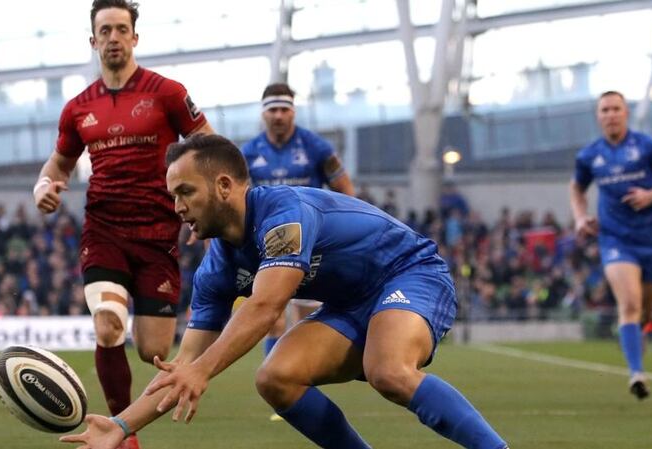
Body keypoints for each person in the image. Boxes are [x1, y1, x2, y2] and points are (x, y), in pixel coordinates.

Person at [60, 134, 508, 449]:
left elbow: (267, 305)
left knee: (387, 370)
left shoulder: (283, 214)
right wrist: (121, 425)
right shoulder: (216, 269)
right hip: (350, 304)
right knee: (275, 378)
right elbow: (184, 367)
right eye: (173, 196)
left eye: (185, 192)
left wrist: (202, 371)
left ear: (223, 186)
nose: (177, 207)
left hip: (410, 273)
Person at [33, 1, 214, 448]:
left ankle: (124, 421)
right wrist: (43, 187)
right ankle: (121, 433)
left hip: (158, 237)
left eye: (120, 29)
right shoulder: (78, 108)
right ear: (93, 41)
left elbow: (210, 147)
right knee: (108, 324)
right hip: (104, 232)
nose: (113, 38)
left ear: (135, 37)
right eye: (105, 31)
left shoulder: (167, 92)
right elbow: (58, 165)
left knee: (154, 350)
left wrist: (207, 207)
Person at [569, 90, 652, 400]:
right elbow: (577, 188)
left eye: (616, 109)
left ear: (626, 113)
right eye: (605, 110)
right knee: (630, 304)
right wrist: (580, 217)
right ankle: (637, 374)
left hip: (650, 239)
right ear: (598, 116)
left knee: (645, 311)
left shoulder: (649, 146)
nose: (611, 114)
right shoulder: (589, 155)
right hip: (615, 239)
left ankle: (637, 335)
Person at [240, 83, 355, 369]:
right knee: (272, 315)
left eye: (284, 109)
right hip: (268, 243)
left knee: (307, 318)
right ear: (263, 114)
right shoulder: (248, 154)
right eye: (273, 110)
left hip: (313, 241)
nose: (278, 116)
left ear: (293, 112)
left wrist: (345, 232)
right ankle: (274, 377)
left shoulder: (317, 148)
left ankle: (300, 377)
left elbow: (345, 191)